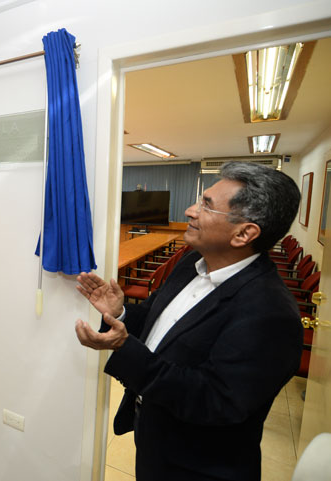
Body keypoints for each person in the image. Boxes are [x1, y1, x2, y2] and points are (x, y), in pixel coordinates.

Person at [74, 162, 303, 481]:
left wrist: (125, 347)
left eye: (206, 205)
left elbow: (213, 400)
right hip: (154, 438)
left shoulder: (271, 314)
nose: (190, 211)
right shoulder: (193, 260)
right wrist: (120, 312)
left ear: (244, 233)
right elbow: (159, 322)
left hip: (197, 466)